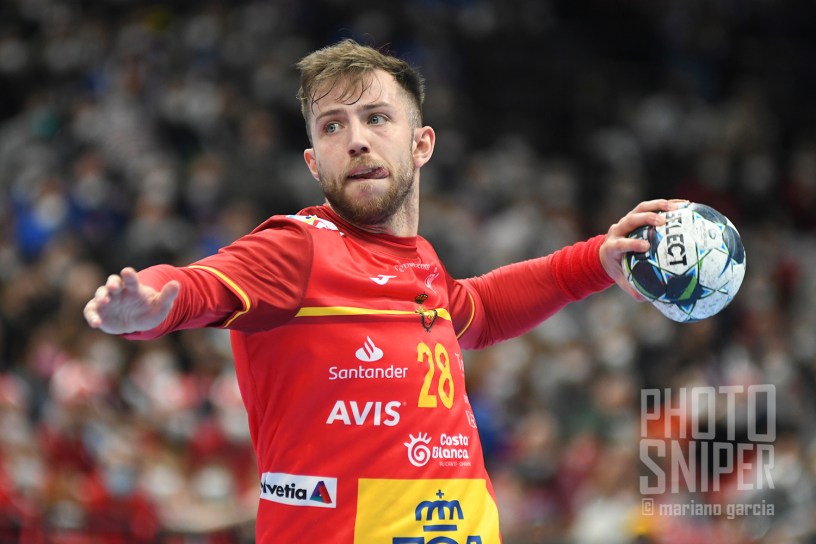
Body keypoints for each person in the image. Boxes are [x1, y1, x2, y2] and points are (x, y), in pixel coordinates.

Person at [84, 39, 682, 543]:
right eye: (332, 126)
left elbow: (480, 310)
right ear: (314, 162)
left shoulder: (421, 263)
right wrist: (149, 305)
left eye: (376, 118)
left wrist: (596, 260)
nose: (356, 140)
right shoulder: (297, 247)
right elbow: (196, 285)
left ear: (421, 144)